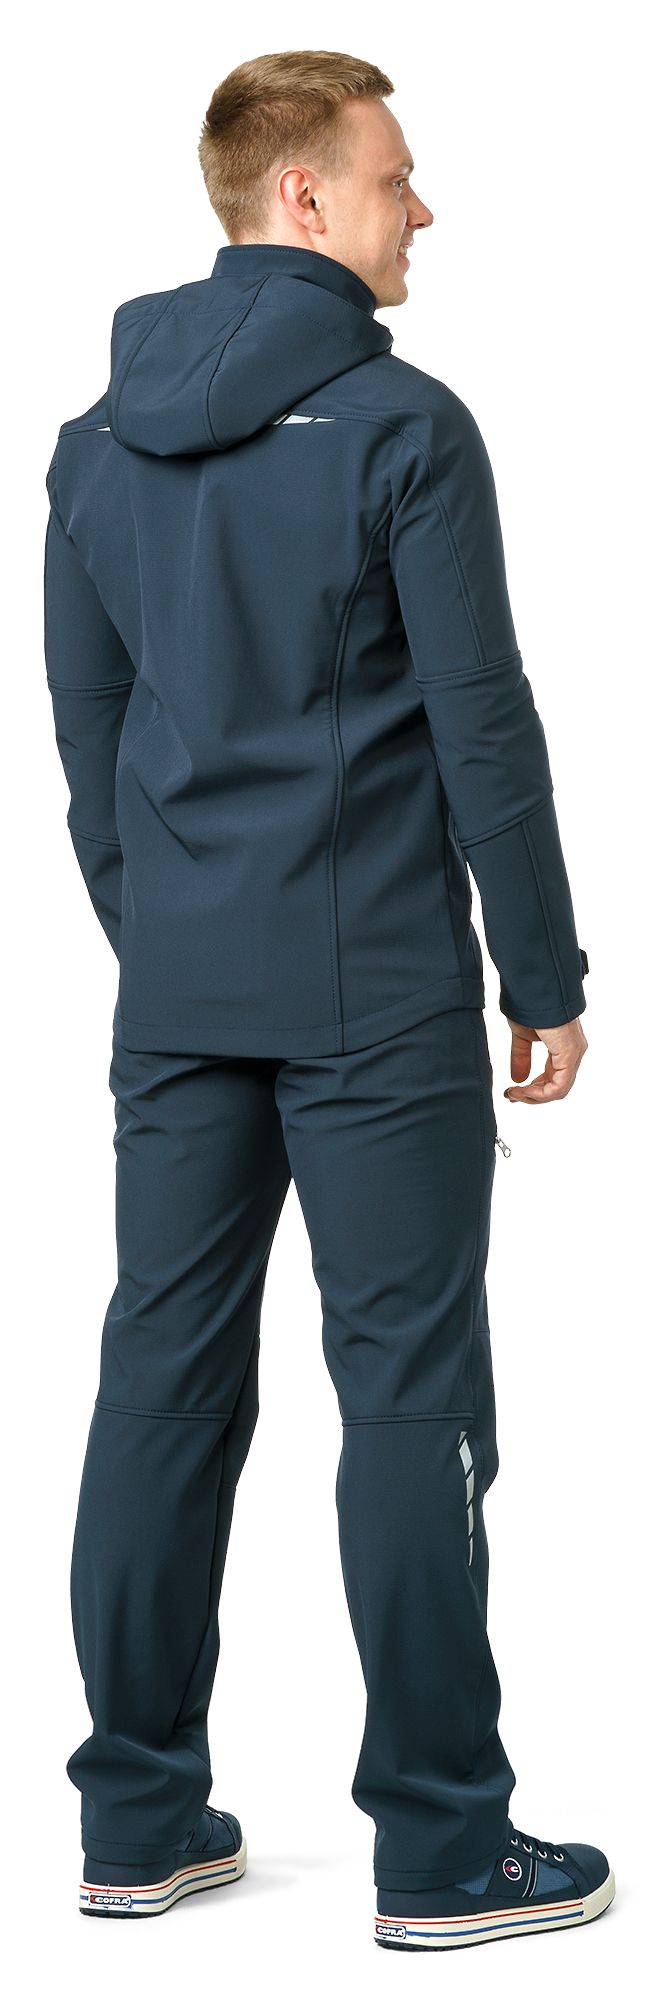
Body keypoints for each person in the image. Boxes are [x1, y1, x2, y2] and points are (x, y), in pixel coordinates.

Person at [46, 50, 613, 1942]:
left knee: (155, 1382)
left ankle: (136, 1825)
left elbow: (89, 730)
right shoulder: (397, 427)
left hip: (176, 986)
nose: (413, 209)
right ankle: (442, 1851)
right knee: (406, 1393)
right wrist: (543, 975)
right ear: (299, 197)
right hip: (371, 988)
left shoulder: (93, 439)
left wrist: (158, 927)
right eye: (390, 178)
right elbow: (480, 731)